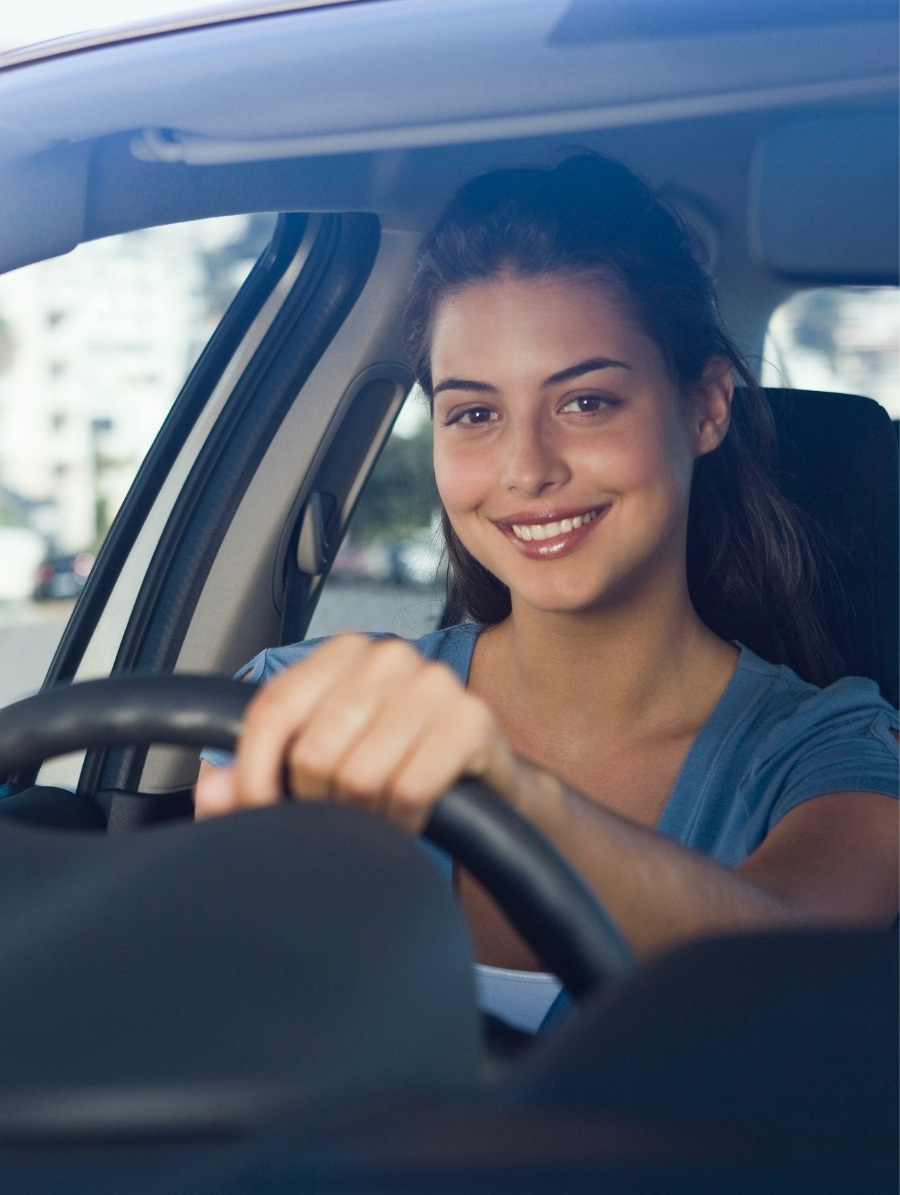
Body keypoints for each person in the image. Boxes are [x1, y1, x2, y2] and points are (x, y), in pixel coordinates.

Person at [195, 155, 898, 1032]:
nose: (527, 469)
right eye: (475, 413)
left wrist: (509, 798)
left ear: (706, 406)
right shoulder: (295, 707)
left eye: (587, 402)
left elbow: (792, 966)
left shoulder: (832, 748)